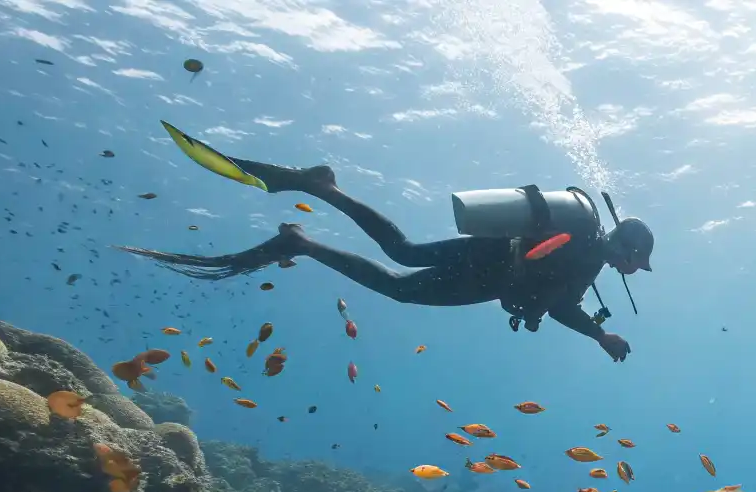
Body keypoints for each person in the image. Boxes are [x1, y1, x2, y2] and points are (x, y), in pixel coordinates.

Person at [117, 122, 653, 363]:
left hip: (489, 257)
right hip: (489, 274)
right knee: (398, 282)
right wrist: (598, 338)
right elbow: (558, 305)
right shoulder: (588, 254)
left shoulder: (587, 247)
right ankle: (304, 239)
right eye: (638, 262)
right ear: (628, 252)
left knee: (402, 252)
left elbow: (556, 298)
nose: (634, 271)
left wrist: (593, 335)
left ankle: (321, 189)